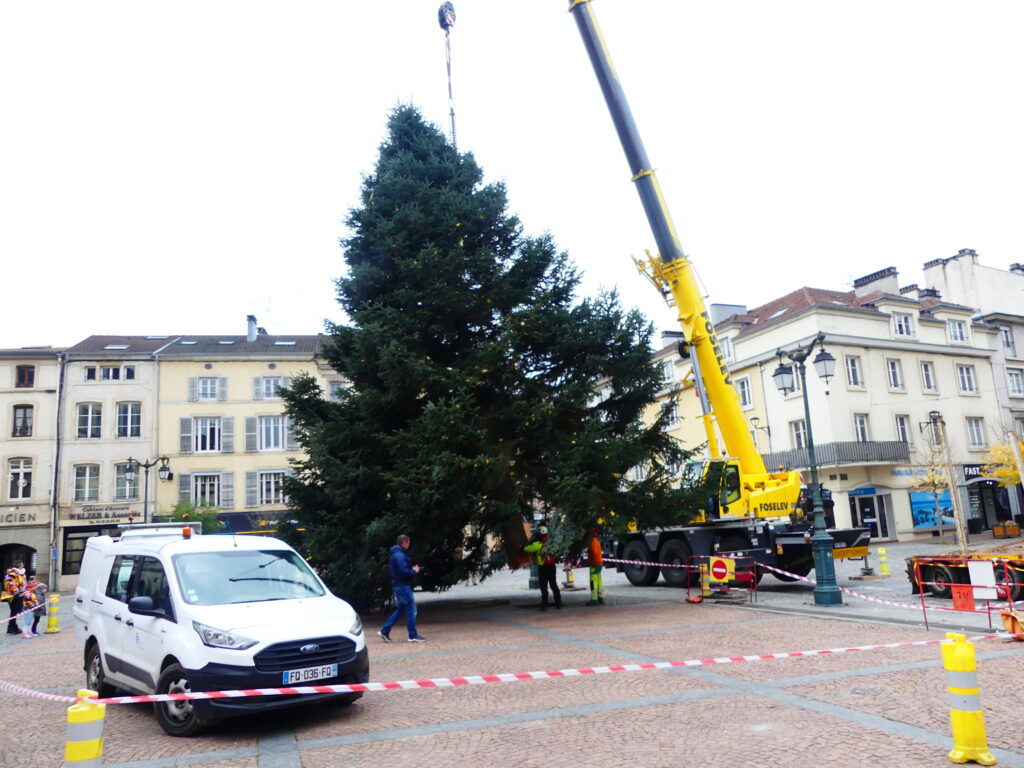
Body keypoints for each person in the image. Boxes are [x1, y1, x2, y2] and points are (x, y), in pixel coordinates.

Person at [379, 534, 426, 643]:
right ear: (405, 542)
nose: (409, 545)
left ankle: (384, 630)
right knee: (412, 610)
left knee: (401, 609)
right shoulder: (400, 555)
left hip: (397, 585)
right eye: (408, 543)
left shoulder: (395, 554)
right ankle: (412, 635)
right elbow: (404, 572)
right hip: (402, 585)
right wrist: (414, 571)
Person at [524, 525, 561, 611]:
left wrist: (522, 548)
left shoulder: (539, 544)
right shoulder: (551, 543)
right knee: (553, 585)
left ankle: (544, 605)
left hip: (543, 567)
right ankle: (558, 603)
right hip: (552, 566)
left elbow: (528, 549)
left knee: (543, 587)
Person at [3, 560, 27, 636]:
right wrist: (16, 592)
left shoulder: (21, 573)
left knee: (15, 612)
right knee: (14, 611)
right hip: (13, 595)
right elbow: (11, 584)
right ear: (18, 565)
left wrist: (24, 592)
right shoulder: (12, 573)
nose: (23, 566)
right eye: (22, 565)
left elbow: (22, 584)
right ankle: (12, 628)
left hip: (19, 595)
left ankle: (12, 627)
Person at [586, 527, 604, 605]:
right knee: (599, 581)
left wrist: (592, 562)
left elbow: (594, 553)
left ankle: (594, 599)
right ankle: (600, 597)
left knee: (593, 582)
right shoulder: (596, 541)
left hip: (594, 564)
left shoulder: (592, 542)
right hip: (599, 563)